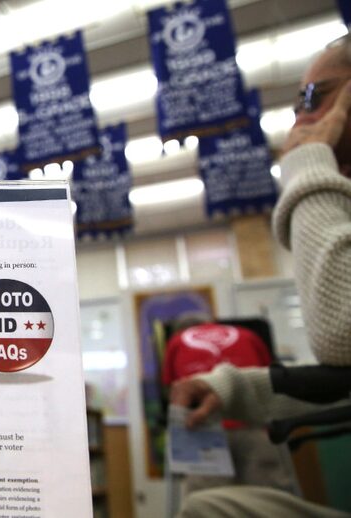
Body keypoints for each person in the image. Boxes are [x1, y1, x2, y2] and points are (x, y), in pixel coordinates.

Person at [171, 35, 351, 517]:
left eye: (313, 98)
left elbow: (342, 335)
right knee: (214, 507)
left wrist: (308, 164)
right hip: (241, 429)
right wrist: (232, 388)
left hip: (216, 438)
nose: (299, 120)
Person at [161, 315, 297, 498]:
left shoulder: (176, 341)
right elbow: (270, 379)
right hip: (255, 426)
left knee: (211, 501)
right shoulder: (248, 335)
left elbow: (174, 390)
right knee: (270, 498)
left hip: (203, 429)